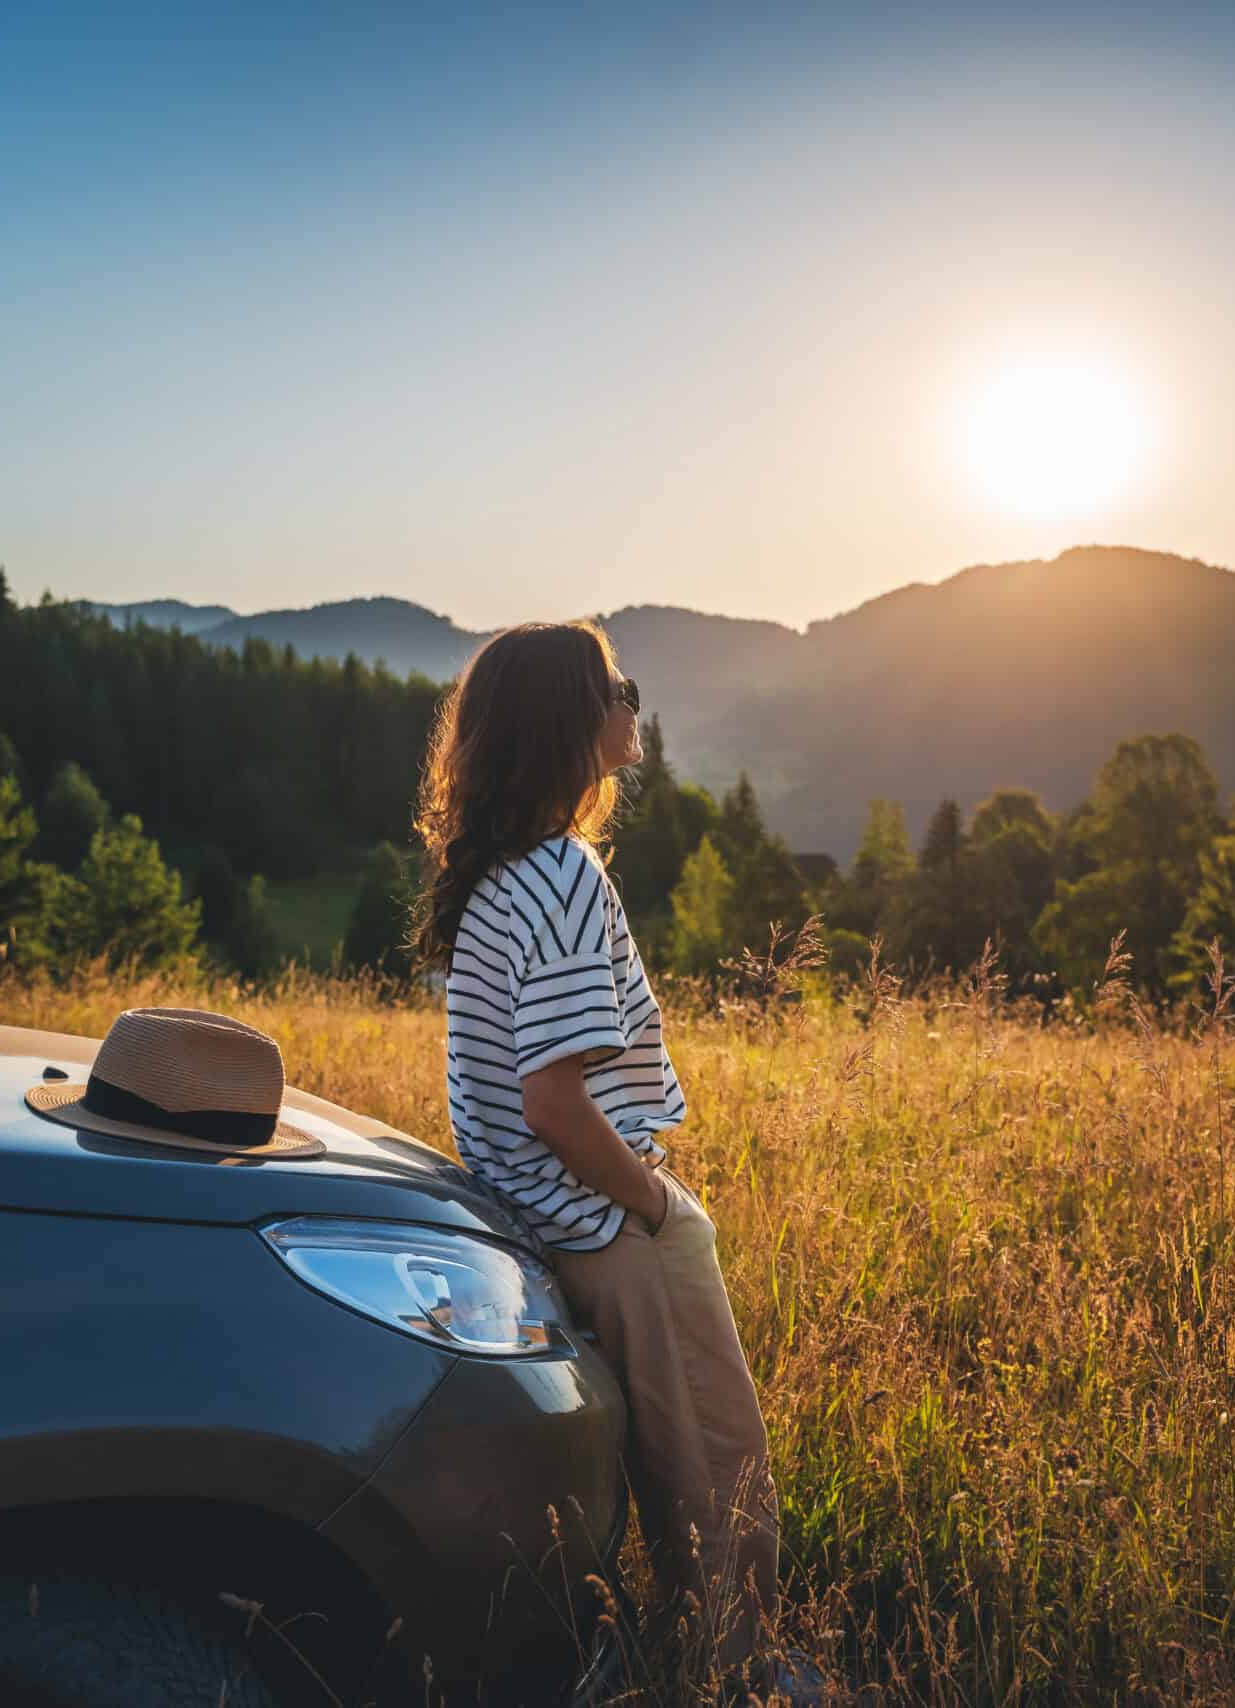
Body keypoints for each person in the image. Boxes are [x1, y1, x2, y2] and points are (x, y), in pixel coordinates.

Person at [409, 621, 819, 1699]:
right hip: (599, 1218)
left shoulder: (498, 871)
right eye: (616, 686)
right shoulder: (561, 875)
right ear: (570, 719)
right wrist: (649, 1204)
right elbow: (554, 1097)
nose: (632, 704)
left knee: (659, 1463)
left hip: (533, 1216)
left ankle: (675, 1656)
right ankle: (743, 1675)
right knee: (714, 1461)